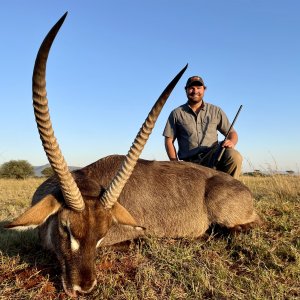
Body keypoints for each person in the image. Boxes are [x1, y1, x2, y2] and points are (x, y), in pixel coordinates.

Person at [163, 75, 242, 179]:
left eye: (198, 88)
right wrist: (175, 164)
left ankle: (231, 191)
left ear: (204, 89)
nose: (195, 91)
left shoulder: (216, 111)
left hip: (212, 158)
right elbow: (169, 140)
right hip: (189, 163)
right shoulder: (176, 113)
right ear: (186, 90)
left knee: (234, 156)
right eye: (191, 88)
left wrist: (231, 141)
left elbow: (232, 133)